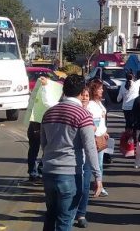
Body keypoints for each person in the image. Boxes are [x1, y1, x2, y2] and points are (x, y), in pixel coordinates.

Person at [40, 75, 102, 231]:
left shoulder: (49, 113)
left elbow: (44, 143)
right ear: (82, 92)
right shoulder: (83, 115)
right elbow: (90, 148)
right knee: (65, 221)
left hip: (48, 172)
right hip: (70, 174)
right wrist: (98, 176)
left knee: (50, 216)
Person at [73, 80, 109, 227]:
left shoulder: (92, 108)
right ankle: (72, 211)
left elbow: (95, 126)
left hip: (88, 152)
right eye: (83, 95)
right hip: (74, 156)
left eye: (87, 95)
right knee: (75, 185)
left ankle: (81, 214)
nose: (85, 98)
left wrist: (101, 131)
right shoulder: (75, 111)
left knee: (85, 185)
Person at [24, 75, 63, 183]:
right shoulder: (46, 89)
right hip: (39, 123)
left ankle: (35, 172)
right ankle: (36, 172)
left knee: (36, 149)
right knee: (44, 149)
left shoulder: (42, 88)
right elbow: (48, 104)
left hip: (36, 122)